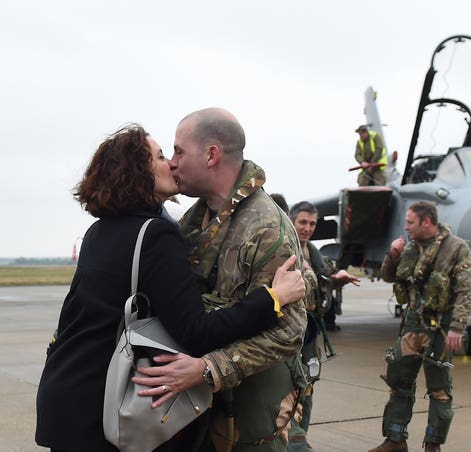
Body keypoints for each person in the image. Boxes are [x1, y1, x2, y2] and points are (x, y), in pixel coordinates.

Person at [35, 124, 306, 452]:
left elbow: (72, 318)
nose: (171, 163)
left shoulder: (97, 233)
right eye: (162, 156)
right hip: (104, 410)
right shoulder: (156, 235)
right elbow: (196, 331)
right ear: (139, 172)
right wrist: (272, 299)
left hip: (65, 397)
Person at [133, 108, 308, 452]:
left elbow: (289, 333)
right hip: (197, 409)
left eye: (179, 152)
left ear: (211, 155)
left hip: (251, 418)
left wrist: (208, 369)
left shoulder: (266, 228)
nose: (172, 163)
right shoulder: (191, 224)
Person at [369, 201, 471, 452]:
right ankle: (395, 440)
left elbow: (466, 290)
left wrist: (457, 328)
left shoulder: (456, 248)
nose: (406, 227)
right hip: (412, 325)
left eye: (410, 222)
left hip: (440, 328)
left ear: (426, 222)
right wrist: (392, 256)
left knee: (439, 389)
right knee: (398, 381)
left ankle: (432, 445)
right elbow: (389, 276)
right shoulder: (409, 248)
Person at [286, 201, 361, 452]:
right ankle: (289, 439)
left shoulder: (314, 256)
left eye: (312, 224)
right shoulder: (284, 250)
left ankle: (300, 437)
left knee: (308, 385)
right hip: (287, 332)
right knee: (288, 386)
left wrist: (337, 281)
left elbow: (324, 281)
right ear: (292, 221)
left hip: (310, 331)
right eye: (302, 223)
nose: (307, 228)